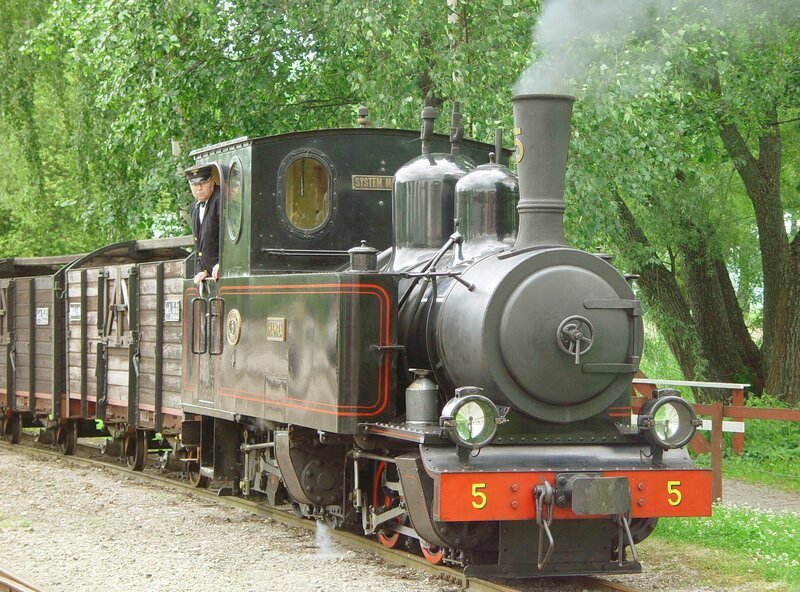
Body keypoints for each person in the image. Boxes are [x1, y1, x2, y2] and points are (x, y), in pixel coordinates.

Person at [186, 165, 221, 285]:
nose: (199, 188)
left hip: (224, 272)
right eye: (195, 185)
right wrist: (202, 269)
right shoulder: (194, 206)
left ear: (212, 180)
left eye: (203, 183)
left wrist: (223, 263)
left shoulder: (222, 199)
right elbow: (199, 244)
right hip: (210, 274)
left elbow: (230, 237)